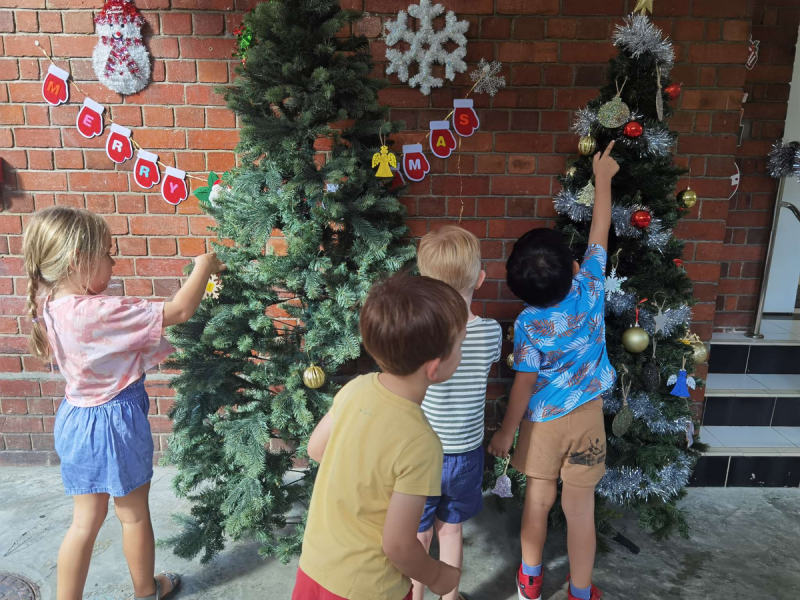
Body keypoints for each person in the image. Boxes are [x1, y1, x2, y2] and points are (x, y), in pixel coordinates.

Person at [23, 206, 226, 600]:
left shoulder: (51, 302)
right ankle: (146, 591)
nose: (113, 262)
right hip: (114, 425)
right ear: (77, 261)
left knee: (84, 522)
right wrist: (203, 266)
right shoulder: (98, 311)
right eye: (107, 253)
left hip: (76, 419)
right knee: (132, 516)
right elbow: (180, 311)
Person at [488, 142, 620, 600]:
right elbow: (600, 229)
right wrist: (602, 178)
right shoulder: (591, 285)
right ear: (574, 266)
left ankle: (529, 583)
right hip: (588, 420)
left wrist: (506, 433)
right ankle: (580, 592)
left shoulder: (528, 322)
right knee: (581, 511)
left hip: (543, 422)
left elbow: (524, 383)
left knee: (538, 501)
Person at [293, 274, 468, 600]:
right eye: (461, 344)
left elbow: (316, 449)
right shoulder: (421, 442)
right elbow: (398, 545)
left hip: (314, 567)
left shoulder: (356, 388)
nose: (463, 350)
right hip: (369, 588)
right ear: (434, 368)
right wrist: (438, 576)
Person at [412, 226, 502, 600]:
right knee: (451, 530)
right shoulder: (491, 332)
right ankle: (449, 597)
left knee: (418, 534)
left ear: (424, 284)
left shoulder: (420, 335)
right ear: (480, 279)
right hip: (466, 453)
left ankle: (413, 596)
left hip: (422, 454)